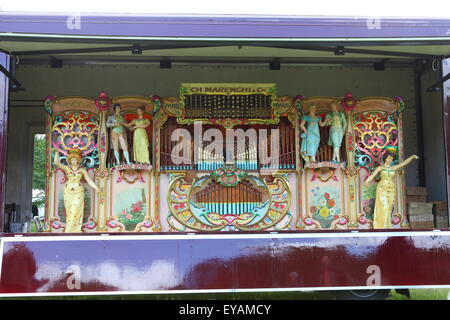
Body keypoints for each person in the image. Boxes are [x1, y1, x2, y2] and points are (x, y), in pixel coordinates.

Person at [365, 147, 419, 229]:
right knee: (384, 206)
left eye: (391, 159)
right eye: (389, 158)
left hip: (391, 189)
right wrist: (366, 181)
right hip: (382, 188)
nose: (390, 160)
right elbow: (372, 176)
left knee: (389, 208)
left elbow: (404, 163)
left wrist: (412, 157)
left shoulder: (393, 168)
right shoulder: (380, 168)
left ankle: (387, 226)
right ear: (385, 158)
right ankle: (381, 227)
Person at [54, 149, 99, 233]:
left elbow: (89, 180)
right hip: (68, 192)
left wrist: (96, 188)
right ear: (69, 160)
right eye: (71, 160)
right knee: (69, 210)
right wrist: (56, 153)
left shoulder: (82, 170)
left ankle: (72, 230)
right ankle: (71, 229)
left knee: (76, 209)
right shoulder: (66, 168)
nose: (73, 161)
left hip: (78, 192)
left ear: (78, 160)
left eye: (75, 160)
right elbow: (57, 163)